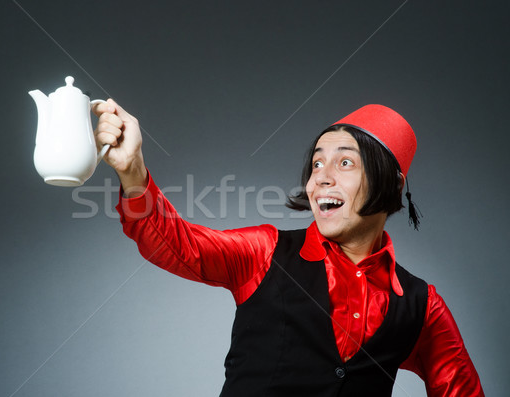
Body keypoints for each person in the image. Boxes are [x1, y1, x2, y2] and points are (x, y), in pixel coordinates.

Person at [93, 100, 484, 396]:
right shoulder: (264, 252)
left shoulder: (422, 305)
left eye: (345, 163)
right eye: (317, 164)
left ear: (391, 185)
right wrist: (132, 171)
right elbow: (174, 242)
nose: (321, 179)